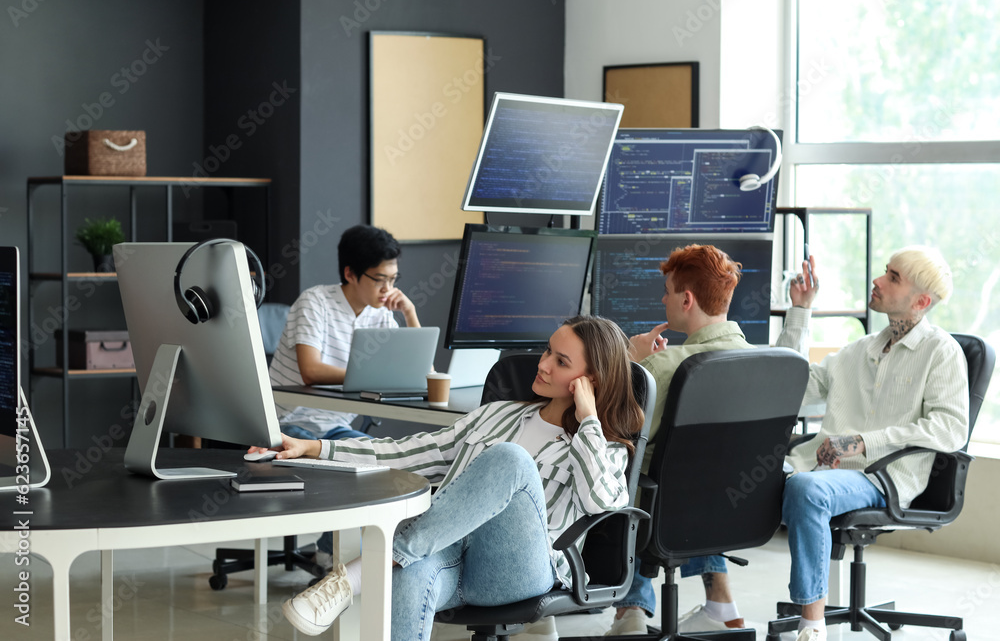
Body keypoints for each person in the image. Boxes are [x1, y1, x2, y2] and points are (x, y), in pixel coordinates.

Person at [257, 315, 645, 641]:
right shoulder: (497, 415)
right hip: (448, 559)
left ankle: (360, 573)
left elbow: (603, 503)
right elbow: (407, 453)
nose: (543, 364)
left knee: (509, 457)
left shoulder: (605, 444)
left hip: (517, 572)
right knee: (410, 574)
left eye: (561, 362)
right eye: (547, 351)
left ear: (589, 381)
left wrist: (589, 419)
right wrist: (318, 448)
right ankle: (389, 563)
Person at [776, 246, 969, 641]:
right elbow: (788, 389)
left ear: (921, 301)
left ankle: (811, 623)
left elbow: (950, 429)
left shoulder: (941, 352)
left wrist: (865, 442)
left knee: (806, 489)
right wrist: (800, 311)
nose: (877, 281)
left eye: (892, 277)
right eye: (885, 271)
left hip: (882, 479)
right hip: (820, 469)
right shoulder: (858, 350)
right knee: (715, 467)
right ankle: (718, 605)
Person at [608, 244, 753, 636]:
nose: (663, 298)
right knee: (698, 475)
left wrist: (632, 363)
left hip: (661, 512)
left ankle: (629, 611)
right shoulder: (762, 361)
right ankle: (722, 604)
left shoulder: (665, 365)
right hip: (734, 509)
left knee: (627, 470)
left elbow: (614, 435)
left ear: (686, 299)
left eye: (668, 291)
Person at [267, 223, 421, 564]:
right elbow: (312, 370)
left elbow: (413, 369)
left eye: (393, 280)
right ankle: (334, 549)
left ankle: (332, 547)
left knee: (383, 463)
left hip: (333, 426)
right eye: (380, 279)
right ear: (351, 273)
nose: (388, 289)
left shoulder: (381, 314)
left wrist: (408, 312)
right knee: (346, 464)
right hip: (287, 423)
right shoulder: (315, 302)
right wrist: (369, 376)